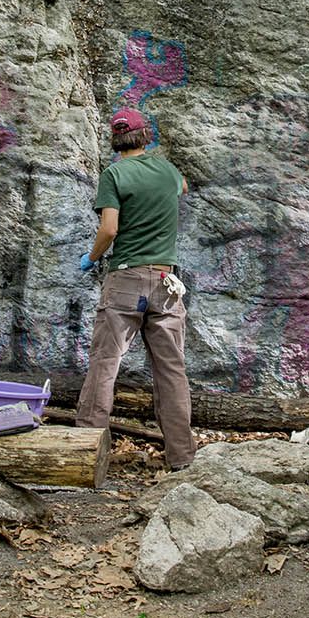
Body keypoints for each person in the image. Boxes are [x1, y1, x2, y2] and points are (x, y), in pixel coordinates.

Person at [74, 109, 195, 468]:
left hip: (126, 279)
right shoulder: (169, 172)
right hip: (166, 282)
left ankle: (85, 453)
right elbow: (184, 187)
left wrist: (92, 257)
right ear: (147, 137)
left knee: (105, 364)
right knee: (171, 369)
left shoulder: (114, 174)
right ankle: (182, 458)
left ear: (115, 141)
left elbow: (109, 228)